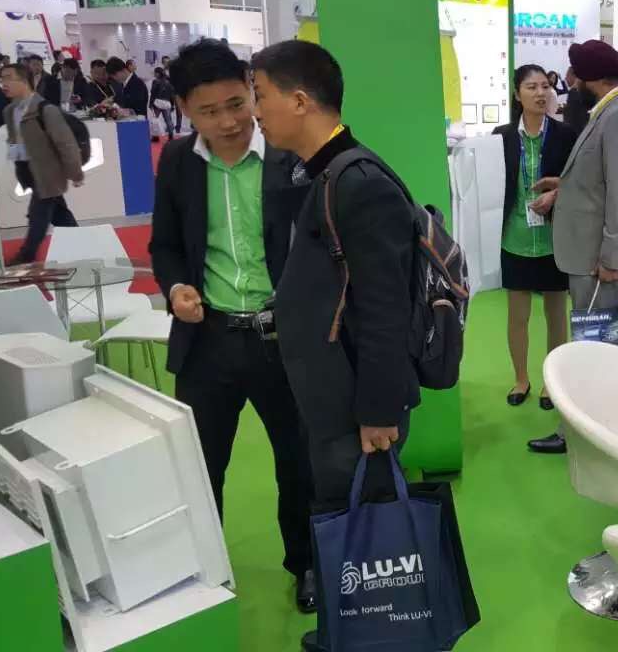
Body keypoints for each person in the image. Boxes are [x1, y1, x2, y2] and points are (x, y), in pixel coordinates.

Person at [148, 39, 316, 613]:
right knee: (200, 465)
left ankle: (307, 564)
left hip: (283, 338)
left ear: (251, 89)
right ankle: (204, 571)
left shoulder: (291, 156)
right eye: (208, 111)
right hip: (209, 339)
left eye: (237, 104)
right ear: (183, 109)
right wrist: (176, 288)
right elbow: (165, 245)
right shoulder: (178, 162)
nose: (227, 122)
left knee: (299, 460)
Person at [251, 41, 418, 531]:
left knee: (366, 536)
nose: (255, 113)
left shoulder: (359, 182)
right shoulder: (320, 174)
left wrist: (379, 410)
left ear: (300, 101)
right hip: (328, 397)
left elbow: (386, 307)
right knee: (336, 516)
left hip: (356, 409)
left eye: (260, 96)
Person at [526, 39, 618, 454]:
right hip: (590, 253)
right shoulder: (610, 113)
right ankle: (599, 426)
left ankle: (586, 432)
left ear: (591, 78)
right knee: (601, 342)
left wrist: (612, 257)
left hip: (598, 258)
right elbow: (602, 180)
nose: (570, 81)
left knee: (598, 346)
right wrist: (565, 185)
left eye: (575, 73)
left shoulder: (617, 117)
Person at [493, 64, 579, 412]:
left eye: (545, 86)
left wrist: (556, 195)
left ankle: (551, 382)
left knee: (556, 313)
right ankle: (521, 379)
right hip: (514, 237)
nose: (541, 93)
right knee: (518, 316)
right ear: (518, 94)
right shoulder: (500, 137)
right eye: (531, 87)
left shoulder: (565, 134)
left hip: (553, 237)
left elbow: (579, 180)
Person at [0, 63, 83, 265]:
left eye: (9, 78)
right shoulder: (10, 111)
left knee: (38, 215)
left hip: (48, 172)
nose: (3, 84)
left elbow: (66, 143)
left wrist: (75, 172)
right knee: (59, 214)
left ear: (24, 81)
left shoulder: (45, 110)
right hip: (28, 171)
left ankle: (26, 255)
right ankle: (83, 244)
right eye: (1, 79)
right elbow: (15, 141)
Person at [561, 66, 595, 132]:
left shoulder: (573, 92)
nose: (565, 78)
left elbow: (571, 119)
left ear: (574, 76)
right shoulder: (587, 92)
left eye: (567, 76)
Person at [150, 67, 177, 140]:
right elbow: (171, 94)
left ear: (158, 73)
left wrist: (151, 104)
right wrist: (172, 105)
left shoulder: (155, 81)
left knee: (155, 120)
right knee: (168, 120)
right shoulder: (168, 82)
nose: (154, 74)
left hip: (157, 103)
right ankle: (171, 136)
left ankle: (155, 136)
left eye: (155, 72)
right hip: (166, 103)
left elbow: (153, 93)